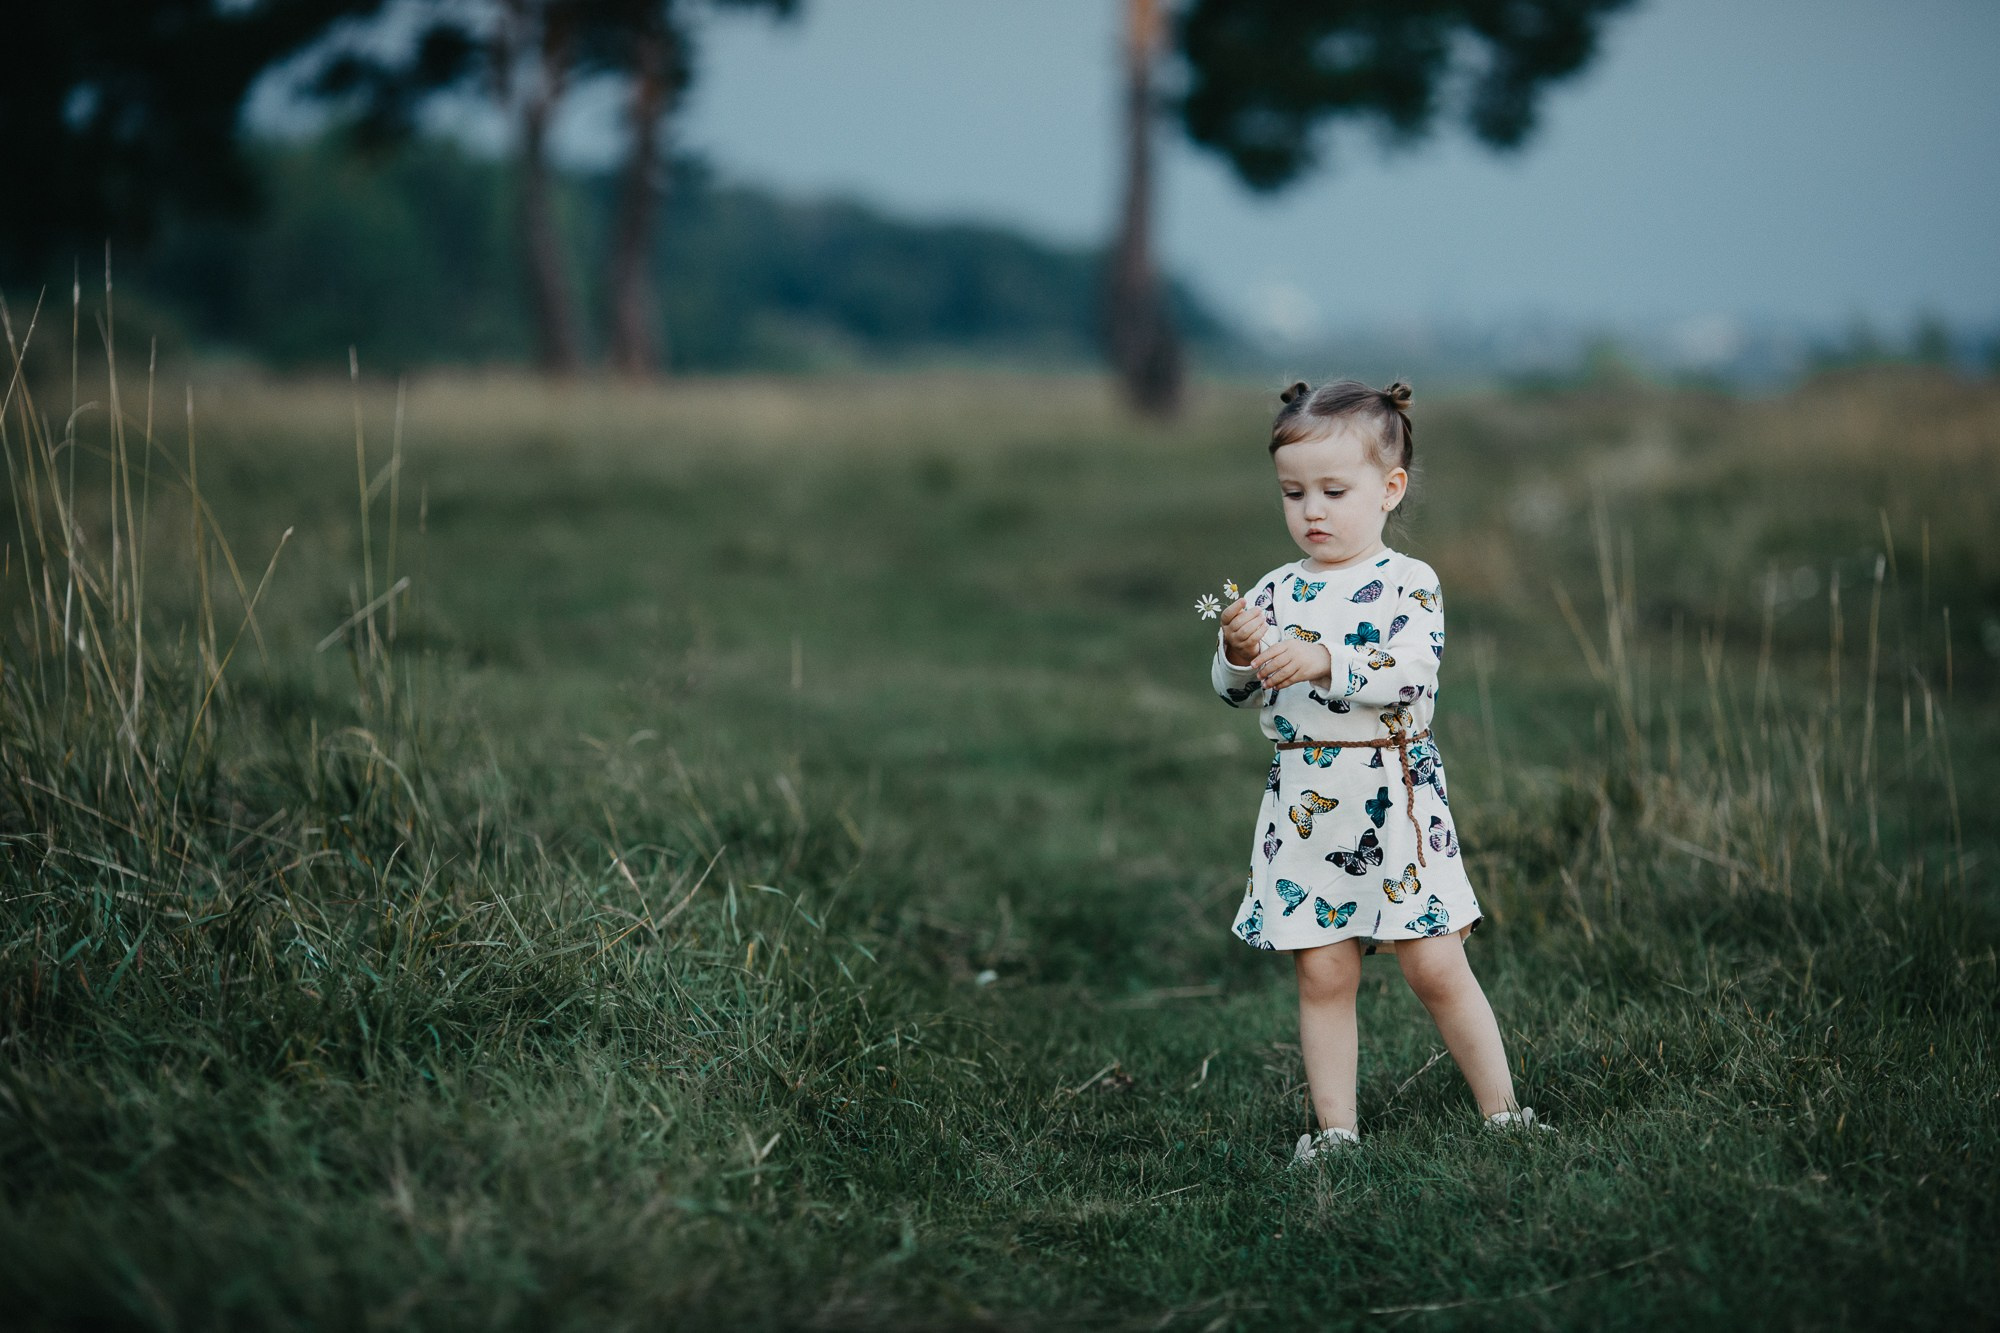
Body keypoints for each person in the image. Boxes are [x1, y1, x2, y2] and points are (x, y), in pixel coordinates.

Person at [1210, 378, 1554, 1164]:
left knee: (1435, 962)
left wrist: (1327, 658)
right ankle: (1335, 1133)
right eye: (1293, 493)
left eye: (1334, 489)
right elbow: (1234, 692)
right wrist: (1237, 652)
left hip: (1392, 800)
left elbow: (1411, 671)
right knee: (1324, 973)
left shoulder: (1410, 582)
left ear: (1390, 489)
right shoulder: (1273, 590)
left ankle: (1504, 1112)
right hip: (1308, 805)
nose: (1312, 511)